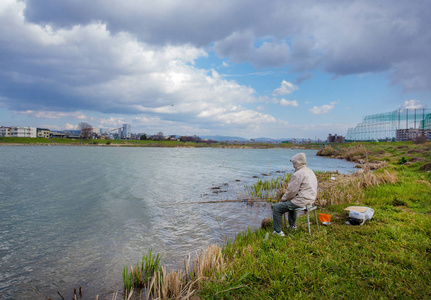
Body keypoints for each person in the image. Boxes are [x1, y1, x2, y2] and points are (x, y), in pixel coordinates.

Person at [273, 152, 318, 236]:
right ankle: (292, 226)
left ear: (296, 163)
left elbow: (291, 191)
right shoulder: (310, 171)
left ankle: (277, 231)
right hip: (310, 200)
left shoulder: (298, 174)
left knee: (276, 208)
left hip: (302, 201)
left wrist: (283, 199)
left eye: (293, 163)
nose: (293, 165)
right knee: (292, 202)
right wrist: (290, 198)